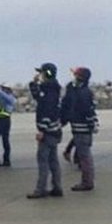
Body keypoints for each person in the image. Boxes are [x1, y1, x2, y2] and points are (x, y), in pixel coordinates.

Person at [27, 62, 64, 199]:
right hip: (55, 130)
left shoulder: (48, 90)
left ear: (46, 74)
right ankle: (57, 187)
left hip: (48, 131)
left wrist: (42, 129)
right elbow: (38, 97)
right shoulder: (53, 88)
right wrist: (34, 83)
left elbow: (46, 110)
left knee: (43, 161)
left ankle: (40, 189)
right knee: (53, 160)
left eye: (42, 72)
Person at [60, 67, 98, 191]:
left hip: (82, 128)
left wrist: (92, 123)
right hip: (80, 128)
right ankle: (87, 181)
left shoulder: (83, 93)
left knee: (85, 157)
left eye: (76, 75)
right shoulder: (81, 91)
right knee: (84, 156)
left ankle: (87, 182)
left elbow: (87, 111)